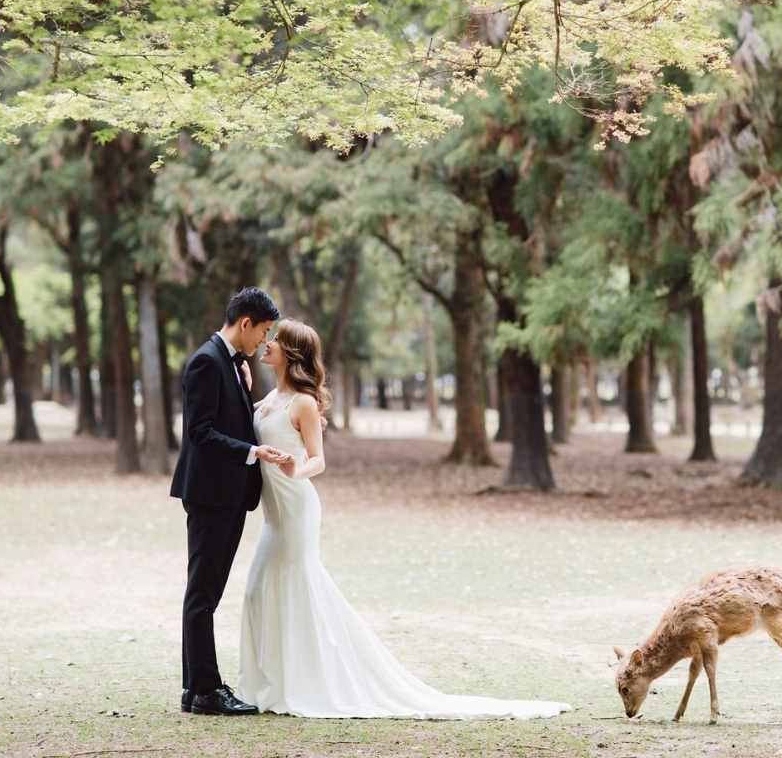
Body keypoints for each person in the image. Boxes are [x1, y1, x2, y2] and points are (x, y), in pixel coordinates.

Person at [236, 319, 569, 719]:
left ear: (290, 353)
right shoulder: (267, 399)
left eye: (276, 339)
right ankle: (268, 683)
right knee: (261, 590)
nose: (266, 343)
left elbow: (319, 460)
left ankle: (296, 685)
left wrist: (295, 469)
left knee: (283, 586)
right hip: (273, 513)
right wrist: (243, 383)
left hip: (295, 509)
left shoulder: (302, 403)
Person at [170, 287, 289, 716]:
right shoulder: (206, 361)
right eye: (263, 331)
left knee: (205, 592)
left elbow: (228, 416)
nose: (264, 341)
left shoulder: (231, 363)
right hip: (211, 494)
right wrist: (252, 452)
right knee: (203, 593)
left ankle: (192, 686)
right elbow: (199, 431)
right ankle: (205, 690)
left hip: (226, 495)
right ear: (245, 323)